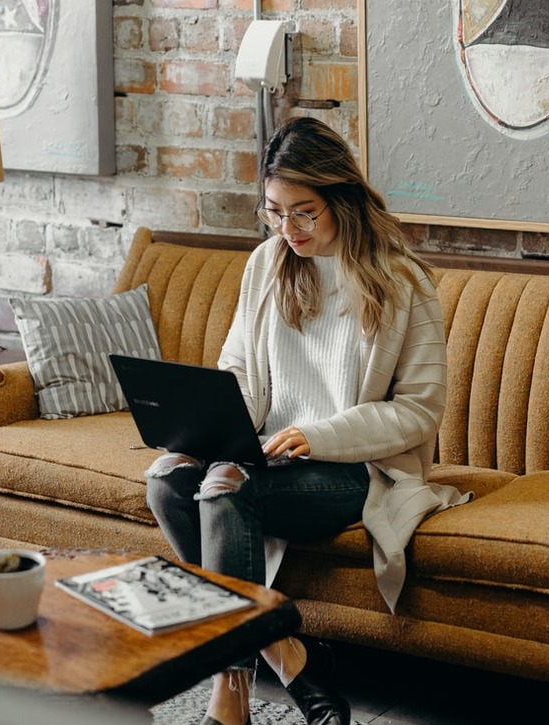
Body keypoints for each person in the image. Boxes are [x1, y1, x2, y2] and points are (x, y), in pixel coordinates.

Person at [144, 116, 470, 725]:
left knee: (223, 489)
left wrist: (315, 436)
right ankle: (286, 649)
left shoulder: (402, 281)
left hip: (352, 469)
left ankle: (230, 697)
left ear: (341, 199)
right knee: (166, 477)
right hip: (263, 454)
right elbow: (237, 368)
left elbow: (420, 412)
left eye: (304, 212)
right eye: (274, 211)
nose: (286, 229)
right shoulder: (267, 265)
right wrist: (213, 428)